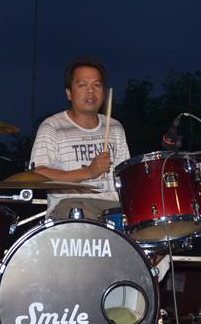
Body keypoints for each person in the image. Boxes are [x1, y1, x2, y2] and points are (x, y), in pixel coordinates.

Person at [30, 57, 130, 220]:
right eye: (82, 85)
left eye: (97, 85)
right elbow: (39, 174)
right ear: (69, 93)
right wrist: (88, 172)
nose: (90, 91)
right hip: (69, 208)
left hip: (112, 209)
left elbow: (125, 176)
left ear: (104, 93)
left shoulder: (115, 127)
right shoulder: (53, 126)